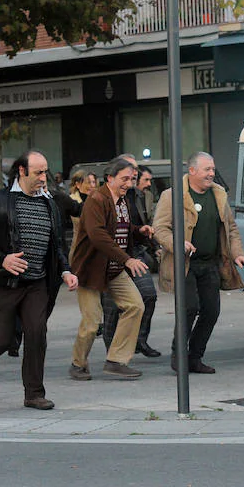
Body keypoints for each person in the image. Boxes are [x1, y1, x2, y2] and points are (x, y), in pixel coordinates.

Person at [0, 150, 78, 410]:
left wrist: (65, 270)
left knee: (36, 334)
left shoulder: (49, 204)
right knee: (1, 338)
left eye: (45, 171)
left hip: (37, 283)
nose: (44, 177)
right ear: (22, 171)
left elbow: (57, 246)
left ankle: (34, 393)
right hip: (4, 282)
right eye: (38, 172)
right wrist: (3, 259)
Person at [154, 151, 244, 374]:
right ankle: (178, 355)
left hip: (210, 264)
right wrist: (179, 243)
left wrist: (238, 254)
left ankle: (195, 357)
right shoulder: (173, 195)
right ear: (192, 171)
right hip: (184, 264)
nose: (211, 174)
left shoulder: (218, 195)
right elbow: (160, 229)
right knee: (189, 308)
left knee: (211, 311)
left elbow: (231, 228)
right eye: (207, 170)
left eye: (213, 170)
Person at [69, 158, 153, 381]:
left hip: (114, 268)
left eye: (131, 179)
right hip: (90, 269)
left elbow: (120, 227)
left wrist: (138, 230)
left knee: (135, 306)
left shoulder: (123, 199)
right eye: (124, 179)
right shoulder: (96, 200)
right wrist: (127, 259)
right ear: (110, 178)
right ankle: (78, 364)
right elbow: (99, 236)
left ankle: (116, 360)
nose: (128, 183)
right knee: (92, 322)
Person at [101, 154, 160, 359]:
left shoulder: (137, 195)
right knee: (111, 309)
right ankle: (112, 355)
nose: (135, 174)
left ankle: (139, 340)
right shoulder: (103, 197)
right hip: (109, 256)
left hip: (134, 252)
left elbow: (132, 225)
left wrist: (149, 240)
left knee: (149, 294)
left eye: (135, 171)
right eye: (130, 170)